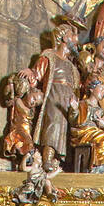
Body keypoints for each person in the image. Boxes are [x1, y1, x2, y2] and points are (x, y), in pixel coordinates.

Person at [30, 18, 82, 171]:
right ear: (65, 38)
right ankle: (46, 159)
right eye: (73, 37)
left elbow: (77, 87)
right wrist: (30, 73)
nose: (76, 41)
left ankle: (58, 161)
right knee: (53, 124)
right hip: (54, 94)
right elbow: (37, 75)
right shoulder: (49, 56)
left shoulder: (72, 67)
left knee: (65, 130)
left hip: (67, 99)